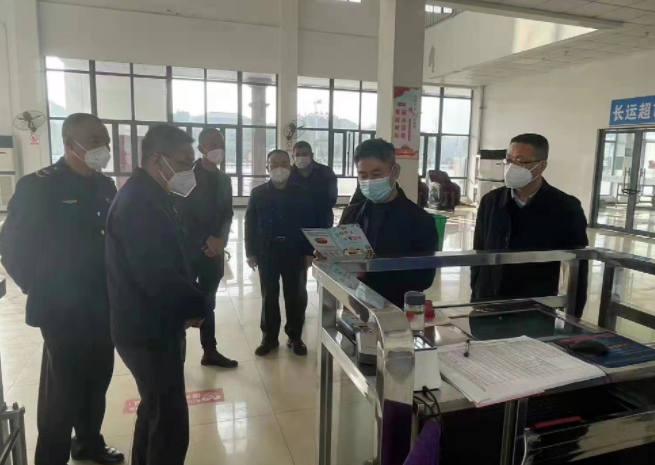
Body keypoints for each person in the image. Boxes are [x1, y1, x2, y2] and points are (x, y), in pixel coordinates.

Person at [0, 113, 124, 465]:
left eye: (106, 141)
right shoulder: (39, 186)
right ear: (70, 144)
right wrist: (40, 287)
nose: (104, 147)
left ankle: (88, 443)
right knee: (62, 390)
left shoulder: (105, 186)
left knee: (98, 378)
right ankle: (51, 457)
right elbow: (11, 246)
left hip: (102, 304)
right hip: (61, 310)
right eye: (95, 140)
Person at [106, 124, 208, 465]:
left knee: (154, 408)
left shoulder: (151, 194)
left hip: (151, 323)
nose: (189, 171)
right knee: (169, 423)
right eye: (183, 163)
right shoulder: (140, 204)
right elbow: (158, 276)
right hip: (147, 330)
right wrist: (197, 305)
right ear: (156, 160)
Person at [471, 133, 589, 317]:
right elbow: (478, 253)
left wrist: (573, 315)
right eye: (509, 160)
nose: (512, 167)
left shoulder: (566, 207)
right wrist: (477, 295)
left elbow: (578, 266)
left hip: (535, 306)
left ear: (541, 166)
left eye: (520, 161)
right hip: (488, 301)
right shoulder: (491, 202)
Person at [340, 139, 438, 308]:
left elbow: (425, 278)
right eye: (363, 175)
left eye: (376, 174)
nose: (369, 181)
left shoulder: (419, 220)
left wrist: (369, 271)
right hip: (355, 304)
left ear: (395, 171)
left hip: (396, 308)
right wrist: (328, 255)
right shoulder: (352, 214)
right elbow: (340, 255)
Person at [245, 149, 318, 356]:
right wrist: (250, 252)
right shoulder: (258, 193)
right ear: (267, 167)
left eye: (284, 164)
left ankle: (295, 337)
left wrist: (309, 251)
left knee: (296, 296)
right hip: (267, 251)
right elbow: (250, 224)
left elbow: (310, 223)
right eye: (274, 164)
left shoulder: (302, 192)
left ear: (290, 167)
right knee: (269, 296)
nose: (279, 168)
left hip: (295, 252)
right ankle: (269, 338)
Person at [175, 128, 237, 369]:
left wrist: (221, 240)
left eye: (220, 143)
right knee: (182, 301)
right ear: (201, 148)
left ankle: (209, 350)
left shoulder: (224, 180)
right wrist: (206, 240)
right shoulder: (185, 177)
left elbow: (228, 213)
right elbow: (181, 215)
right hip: (190, 252)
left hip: (215, 253)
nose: (217, 148)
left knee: (208, 302)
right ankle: (175, 356)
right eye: (212, 144)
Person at [289, 141, 338, 227]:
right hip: (295, 221)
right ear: (293, 157)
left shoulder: (326, 172)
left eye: (305, 154)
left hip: (321, 221)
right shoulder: (289, 174)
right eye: (298, 155)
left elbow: (332, 199)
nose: (301, 158)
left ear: (311, 155)